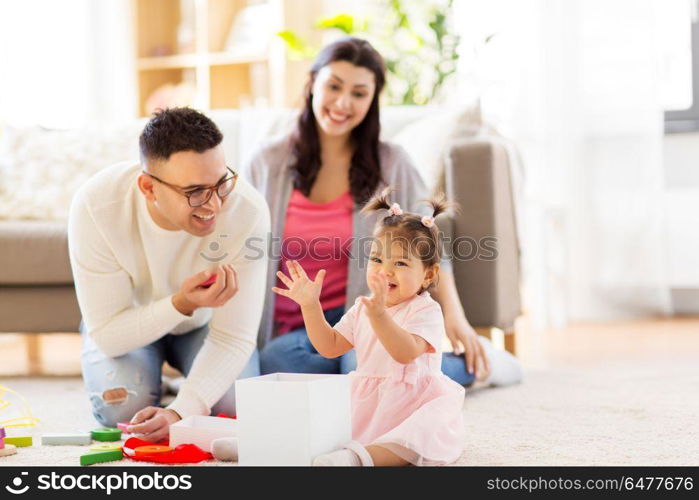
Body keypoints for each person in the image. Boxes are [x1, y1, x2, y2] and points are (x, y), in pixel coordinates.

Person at [244, 36, 521, 386]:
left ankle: (472, 366)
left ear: (373, 99)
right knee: (277, 362)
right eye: (334, 86)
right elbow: (239, 237)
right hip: (299, 324)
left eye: (359, 93)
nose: (343, 103)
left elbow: (430, 240)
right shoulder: (268, 161)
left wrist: (456, 317)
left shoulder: (392, 162)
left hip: (374, 312)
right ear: (313, 83)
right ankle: (362, 376)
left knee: (368, 366)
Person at [68, 107, 270, 442]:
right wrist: (179, 304)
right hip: (125, 323)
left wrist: (180, 411)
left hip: (204, 327)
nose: (214, 205)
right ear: (148, 187)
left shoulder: (247, 211)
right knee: (122, 409)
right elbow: (108, 334)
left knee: (234, 407)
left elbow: (234, 337)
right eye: (195, 192)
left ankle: (177, 386)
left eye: (221, 183)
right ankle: (151, 377)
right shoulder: (96, 205)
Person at [273, 192, 465, 466]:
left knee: (409, 443)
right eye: (377, 260)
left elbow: (406, 352)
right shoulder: (364, 307)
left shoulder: (426, 310)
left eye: (400, 263)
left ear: (429, 274)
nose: (385, 271)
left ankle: (357, 459)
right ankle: (271, 444)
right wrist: (310, 306)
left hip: (412, 405)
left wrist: (379, 317)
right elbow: (329, 346)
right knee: (319, 423)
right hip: (366, 399)